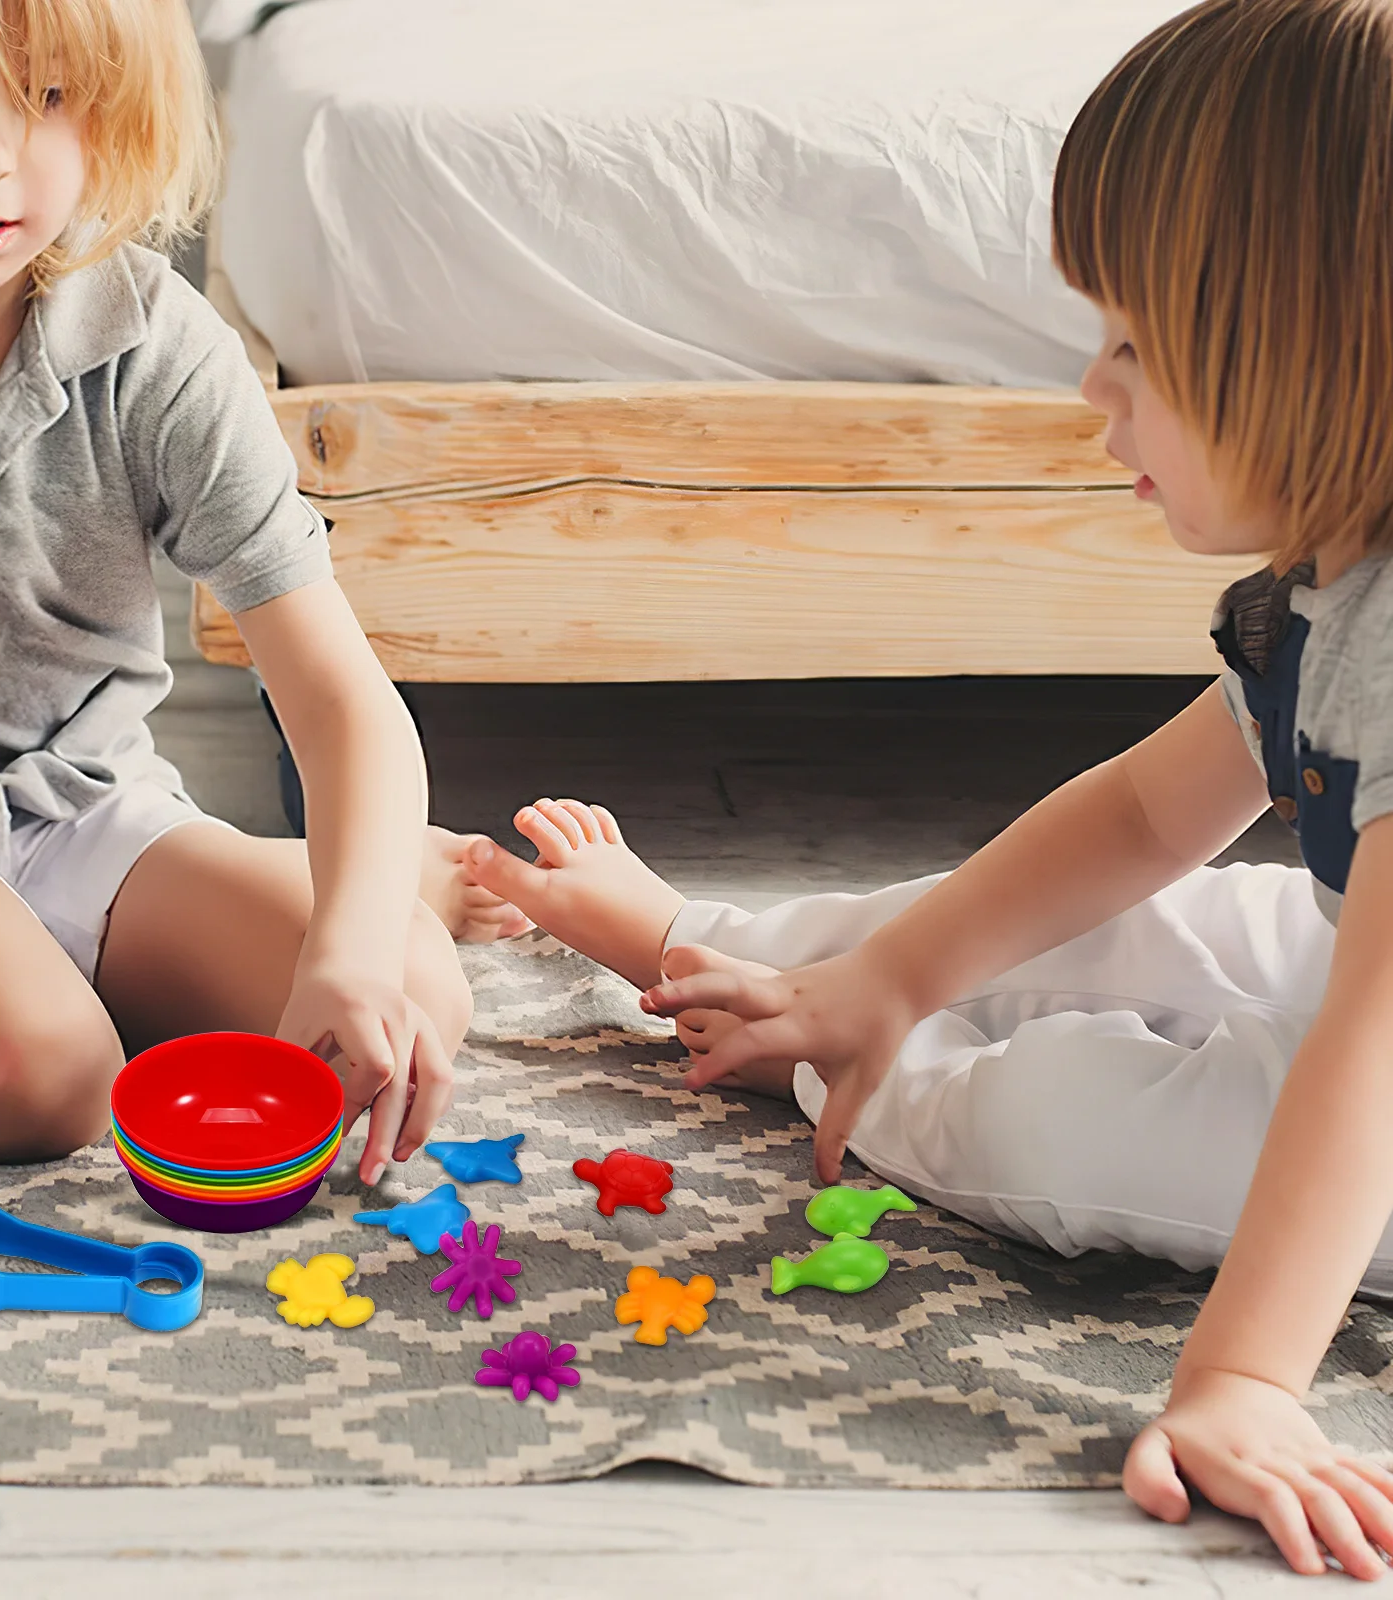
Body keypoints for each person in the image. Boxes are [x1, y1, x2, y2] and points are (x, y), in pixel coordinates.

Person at [465, 0, 1393, 1577]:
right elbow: (1145, 818)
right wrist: (898, 967)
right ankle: (761, 969)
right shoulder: (1335, 579)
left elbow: (1367, 1056)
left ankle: (840, 1074)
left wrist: (1240, 1382)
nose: (1092, 392)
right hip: (1353, 958)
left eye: (1134, 345)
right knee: (1118, 926)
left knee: (1058, 1124)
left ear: (1303, 344)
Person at [0, 0, 524, 1179]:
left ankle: (355, 873)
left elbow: (341, 702)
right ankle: (318, 882)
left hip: (85, 803)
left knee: (407, 997)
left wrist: (347, 949)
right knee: (40, 1070)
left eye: (47, 96)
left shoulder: (155, 346)